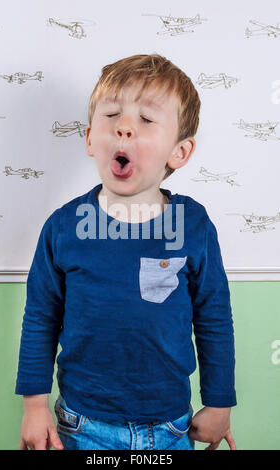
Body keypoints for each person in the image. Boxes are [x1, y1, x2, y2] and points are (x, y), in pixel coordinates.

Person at [15, 53, 237, 451]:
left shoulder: (194, 225)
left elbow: (214, 317)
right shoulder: (63, 227)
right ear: (88, 139)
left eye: (147, 119)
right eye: (112, 115)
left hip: (170, 428)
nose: (124, 128)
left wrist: (219, 403)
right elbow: (40, 318)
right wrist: (34, 407)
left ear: (180, 152)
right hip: (81, 426)